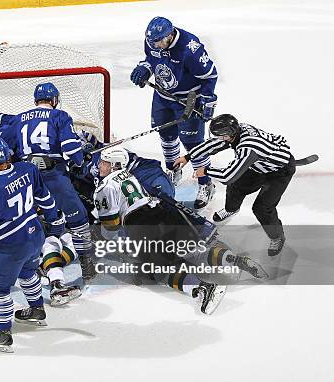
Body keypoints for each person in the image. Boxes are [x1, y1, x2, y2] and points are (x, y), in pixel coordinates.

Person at [94, 147, 268, 314]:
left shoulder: (104, 187)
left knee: (160, 270)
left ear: (115, 165)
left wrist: (106, 239)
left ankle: (203, 289)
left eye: (104, 162)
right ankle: (235, 260)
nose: (99, 165)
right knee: (194, 251)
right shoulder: (131, 176)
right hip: (163, 211)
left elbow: (111, 227)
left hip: (141, 224)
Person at [0, 137, 64, 353]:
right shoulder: (28, 169)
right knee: (28, 272)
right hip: (35, 235)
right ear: (9, 155)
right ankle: (37, 310)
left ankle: (3, 334)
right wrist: (54, 219)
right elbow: (45, 197)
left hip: (11, 245)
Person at [3, 82, 97, 282]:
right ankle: (87, 265)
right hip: (53, 178)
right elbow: (71, 148)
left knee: (29, 224)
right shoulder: (59, 116)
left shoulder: (19, 119)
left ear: (36, 100)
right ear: (54, 100)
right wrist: (80, 160)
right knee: (79, 220)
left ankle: (29, 265)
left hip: (25, 179)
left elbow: (6, 151)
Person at [174, 114, 296, 256]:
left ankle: (277, 237)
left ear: (229, 134)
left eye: (221, 136)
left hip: (280, 172)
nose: (219, 139)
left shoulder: (248, 148)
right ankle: (231, 209)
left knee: (262, 208)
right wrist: (188, 156)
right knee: (236, 187)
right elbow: (214, 144)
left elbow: (228, 176)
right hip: (259, 165)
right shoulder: (237, 130)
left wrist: (206, 171)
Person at [130, 16, 218, 209]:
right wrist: (145, 68)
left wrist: (206, 99)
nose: (155, 45)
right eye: (152, 41)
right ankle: (173, 170)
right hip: (162, 97)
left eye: (159, 41)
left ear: (169, 36)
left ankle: (205, 183)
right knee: (166, 136)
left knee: (193, 144)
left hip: (188, 100)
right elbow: (151, 60)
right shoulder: (152, 42)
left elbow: (210, 75)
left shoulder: (190, 48)